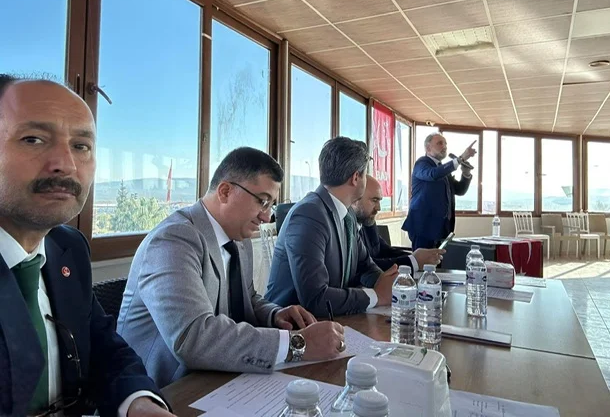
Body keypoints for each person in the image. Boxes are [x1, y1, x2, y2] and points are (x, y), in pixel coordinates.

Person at [0, 74, 172, 417]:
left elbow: (104, 349)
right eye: (33, 139)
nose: (66, 164)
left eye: (81, 146)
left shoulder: (68, 247)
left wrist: (140, 404)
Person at [117, 147, 344, 387]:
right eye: (262, 201)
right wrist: (297, 344)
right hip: (165, 390)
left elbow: (249, 298)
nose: (267, 217)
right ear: (225, 191)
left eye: (271, 205)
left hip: (221, 378)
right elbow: (193, 338)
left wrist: (275, 314)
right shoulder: (173, 240)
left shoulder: (238, 239)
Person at [266, 137, 398, 317]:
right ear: (356, 178)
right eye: (365, 174)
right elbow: (316, 299)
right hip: (295, 327)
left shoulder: (347, 214)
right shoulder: (309, 214)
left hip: (333, 321)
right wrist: (377, 296)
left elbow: (365, 267)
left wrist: (389, 282)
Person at [353, 176, 445, 273]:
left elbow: (385, 251)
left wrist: (417, 257)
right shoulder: (346, 230)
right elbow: (366, 267)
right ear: (355, 199)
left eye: (379, 201)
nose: (379, 208)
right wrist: (413, 261)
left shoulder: (368, 223)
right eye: (374, 200)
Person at [402, 133, 476, 250]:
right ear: (428, 148)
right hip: (424, 227)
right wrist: (460, 159)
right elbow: (433, 174)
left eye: (445, 144)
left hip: (443, 228)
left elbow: (459, 190)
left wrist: (466, 174)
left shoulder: (442, 169)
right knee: (423, 261)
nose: (444, 146)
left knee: (440, 261)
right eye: (440, 143)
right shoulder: (422, 163)